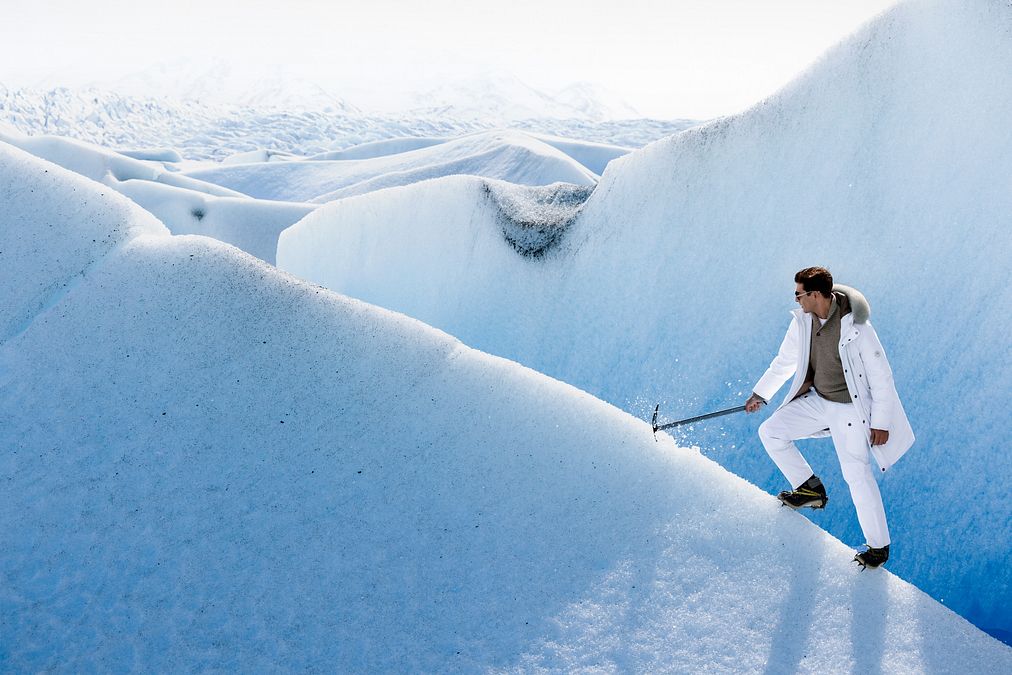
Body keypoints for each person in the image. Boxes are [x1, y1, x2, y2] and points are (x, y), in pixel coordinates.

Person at [745, 267, 914, 569]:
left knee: (856, 475)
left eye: (799, 294)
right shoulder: (802, 322)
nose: (796, 300)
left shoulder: (856, 326)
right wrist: (761, 394)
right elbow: (784, 361)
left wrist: (881, 422)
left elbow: (881, 376)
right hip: (818, 401)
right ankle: (810, 488)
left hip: (850, 409)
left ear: (815, 294)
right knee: (771, 432)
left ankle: (878, 548)